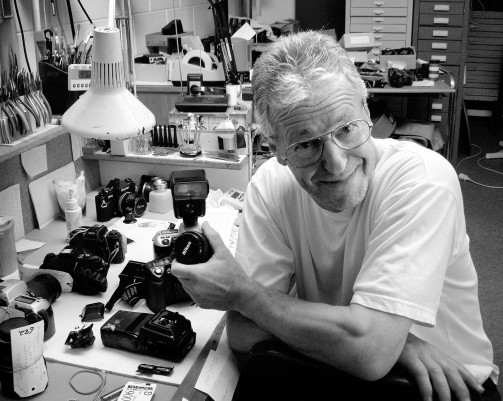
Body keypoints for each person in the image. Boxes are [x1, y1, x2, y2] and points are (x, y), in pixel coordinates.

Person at [171, 31, 500, 401]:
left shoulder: (423, 181)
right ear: (275, 148)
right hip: (329, 364)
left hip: (441, 386)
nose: (337, 162)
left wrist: (246, 295)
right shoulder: (271, 184)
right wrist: (388, 340)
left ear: (367, 111)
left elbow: (370, 351)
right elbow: (245, 333)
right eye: (306, 144)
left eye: (346, 128)